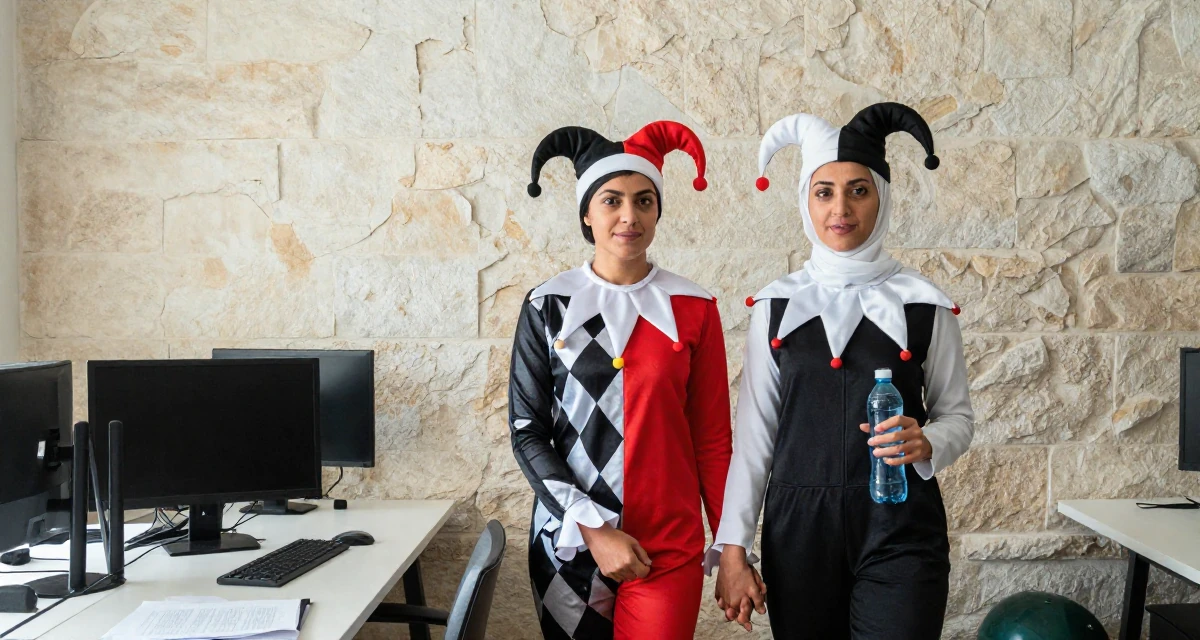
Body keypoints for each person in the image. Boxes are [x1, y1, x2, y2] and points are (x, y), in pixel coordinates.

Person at [711, 103, 976, 639]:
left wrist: (927, 442)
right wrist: (733, 550)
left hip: (901, 527)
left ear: (883, 196)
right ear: (805, 201)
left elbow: (958, 416)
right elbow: (755, 436)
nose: (841, 208)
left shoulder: (925, 305)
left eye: (859, 189)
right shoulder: (774, 306)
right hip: (799, 528)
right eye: (824, 191)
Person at [510, 121, 732, 639]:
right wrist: (594, 528)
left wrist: (733, 544)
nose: (629, 216)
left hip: (669, 547)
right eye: (611, 201)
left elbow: (713, 442)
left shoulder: (694, 308)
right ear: (587, 214)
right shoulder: (547, 306)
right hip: (570, 539)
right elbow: (527, 430)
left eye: (644, 201)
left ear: (657, 212)